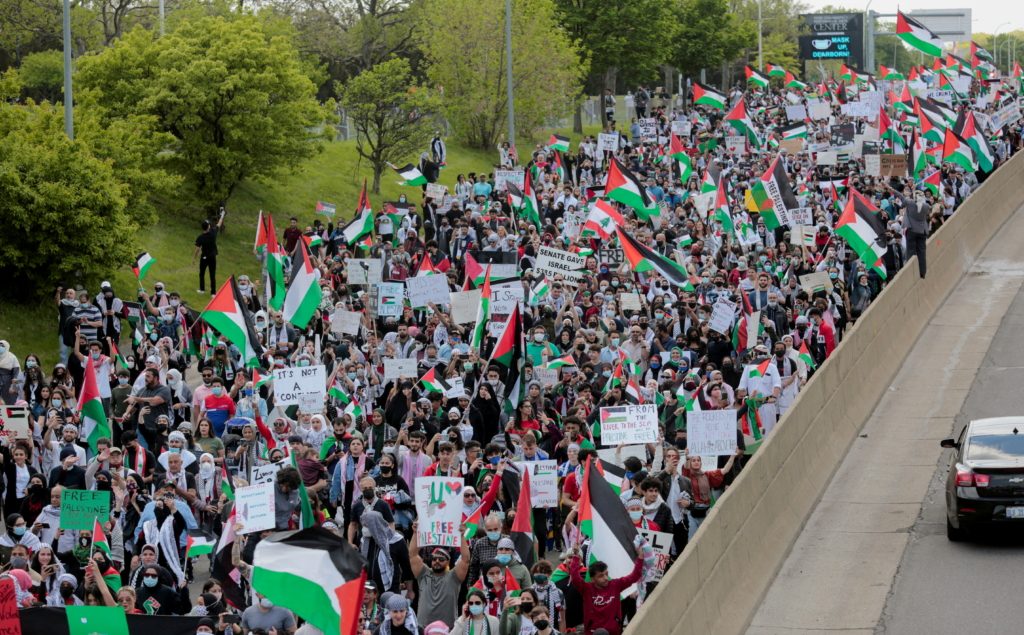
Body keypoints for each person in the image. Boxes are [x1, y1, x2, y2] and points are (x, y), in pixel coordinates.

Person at [567, 542, 645, 635]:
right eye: (600, 576)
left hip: (613, 632)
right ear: (592, 579)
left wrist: (640, 557)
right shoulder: (586, 589)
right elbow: (575, 577)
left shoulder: (616, 585)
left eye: (606, 574)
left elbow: (634, 576)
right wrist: (576, 557)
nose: (605, 578)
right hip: (592, 632)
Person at [409, 521, 470, 626]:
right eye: (434, 558)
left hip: (448, 629)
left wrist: (461, 536)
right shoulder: (423, 573)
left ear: (448, 562)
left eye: (441, 559)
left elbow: (465, 559)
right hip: (424, 628)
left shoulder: (454, 577)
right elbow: (413, 554)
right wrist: (416, 533)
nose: (437, 561)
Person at [193, 211, 225, 294]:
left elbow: (197, 249)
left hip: (204, 257)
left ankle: (202, 289)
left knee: (202, 273)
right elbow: (219, 223)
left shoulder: (200, 237)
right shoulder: (213, 233)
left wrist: (194, 258)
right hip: (212, 257)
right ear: (208, 227)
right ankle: (213, 293)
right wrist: (222, 216)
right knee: (212, 274)